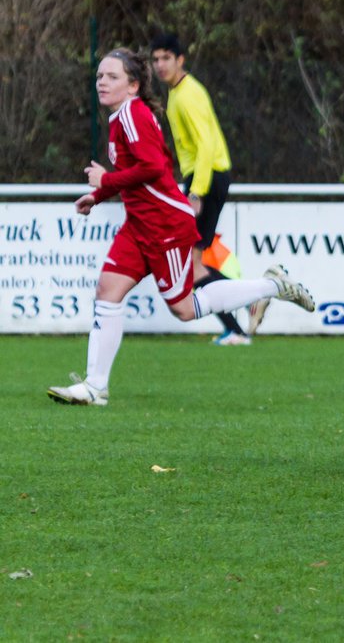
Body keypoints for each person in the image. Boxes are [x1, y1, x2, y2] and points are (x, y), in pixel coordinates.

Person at [46, 48, 316, 407]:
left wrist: (106, 183)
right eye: (99, 76)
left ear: (133, 85)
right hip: (138, 226)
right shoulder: (121, 117)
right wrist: (99, 195)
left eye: (112, 76)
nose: (102, 82)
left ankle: (274, 284)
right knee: (107, 291)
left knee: (185, 308)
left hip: (164, 226)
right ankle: (96, 387)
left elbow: (154, 168)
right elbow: (140, 175)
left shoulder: (132, 115)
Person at [150, 32, 259, 345]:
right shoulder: (178, 93)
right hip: (204, 177)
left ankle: (247, 311)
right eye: (156, 59)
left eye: (166, 58)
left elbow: (207, 143)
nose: (160, 65)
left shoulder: (187, 94)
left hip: (207, 178)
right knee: (192, 264)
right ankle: (239, 321)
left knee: (192, 265)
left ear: (180, 59)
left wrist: (195, 191)